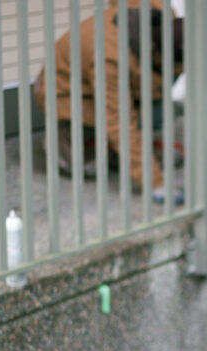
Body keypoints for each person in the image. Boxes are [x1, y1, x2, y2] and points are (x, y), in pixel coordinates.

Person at [33, 1, 184, 204]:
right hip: (63, 92)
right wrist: (156, 182)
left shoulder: (162, 17)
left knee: (161, 112)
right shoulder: (110, 55)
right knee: (115, 122)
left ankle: (118, 153)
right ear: (156, 53)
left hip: (112, 82)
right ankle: (65, 145)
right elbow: (118, 119)